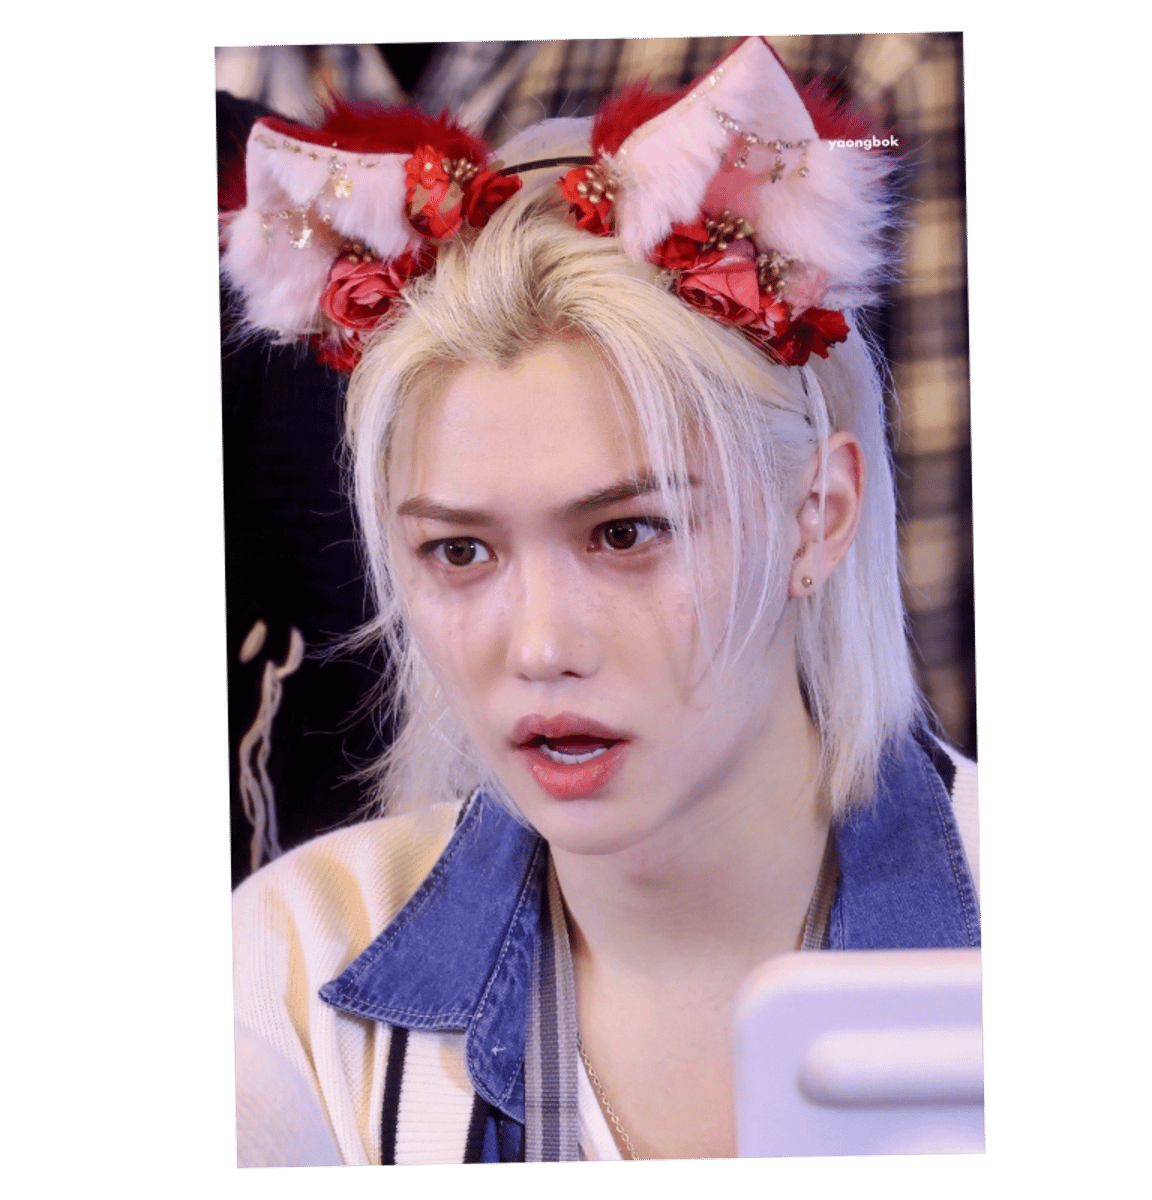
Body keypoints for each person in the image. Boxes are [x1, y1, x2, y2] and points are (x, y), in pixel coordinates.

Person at [225, 36, 981, 1166]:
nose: (540, 647)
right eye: (460, 551)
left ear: (819, 516)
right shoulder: (286, 981)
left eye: (626, 534)